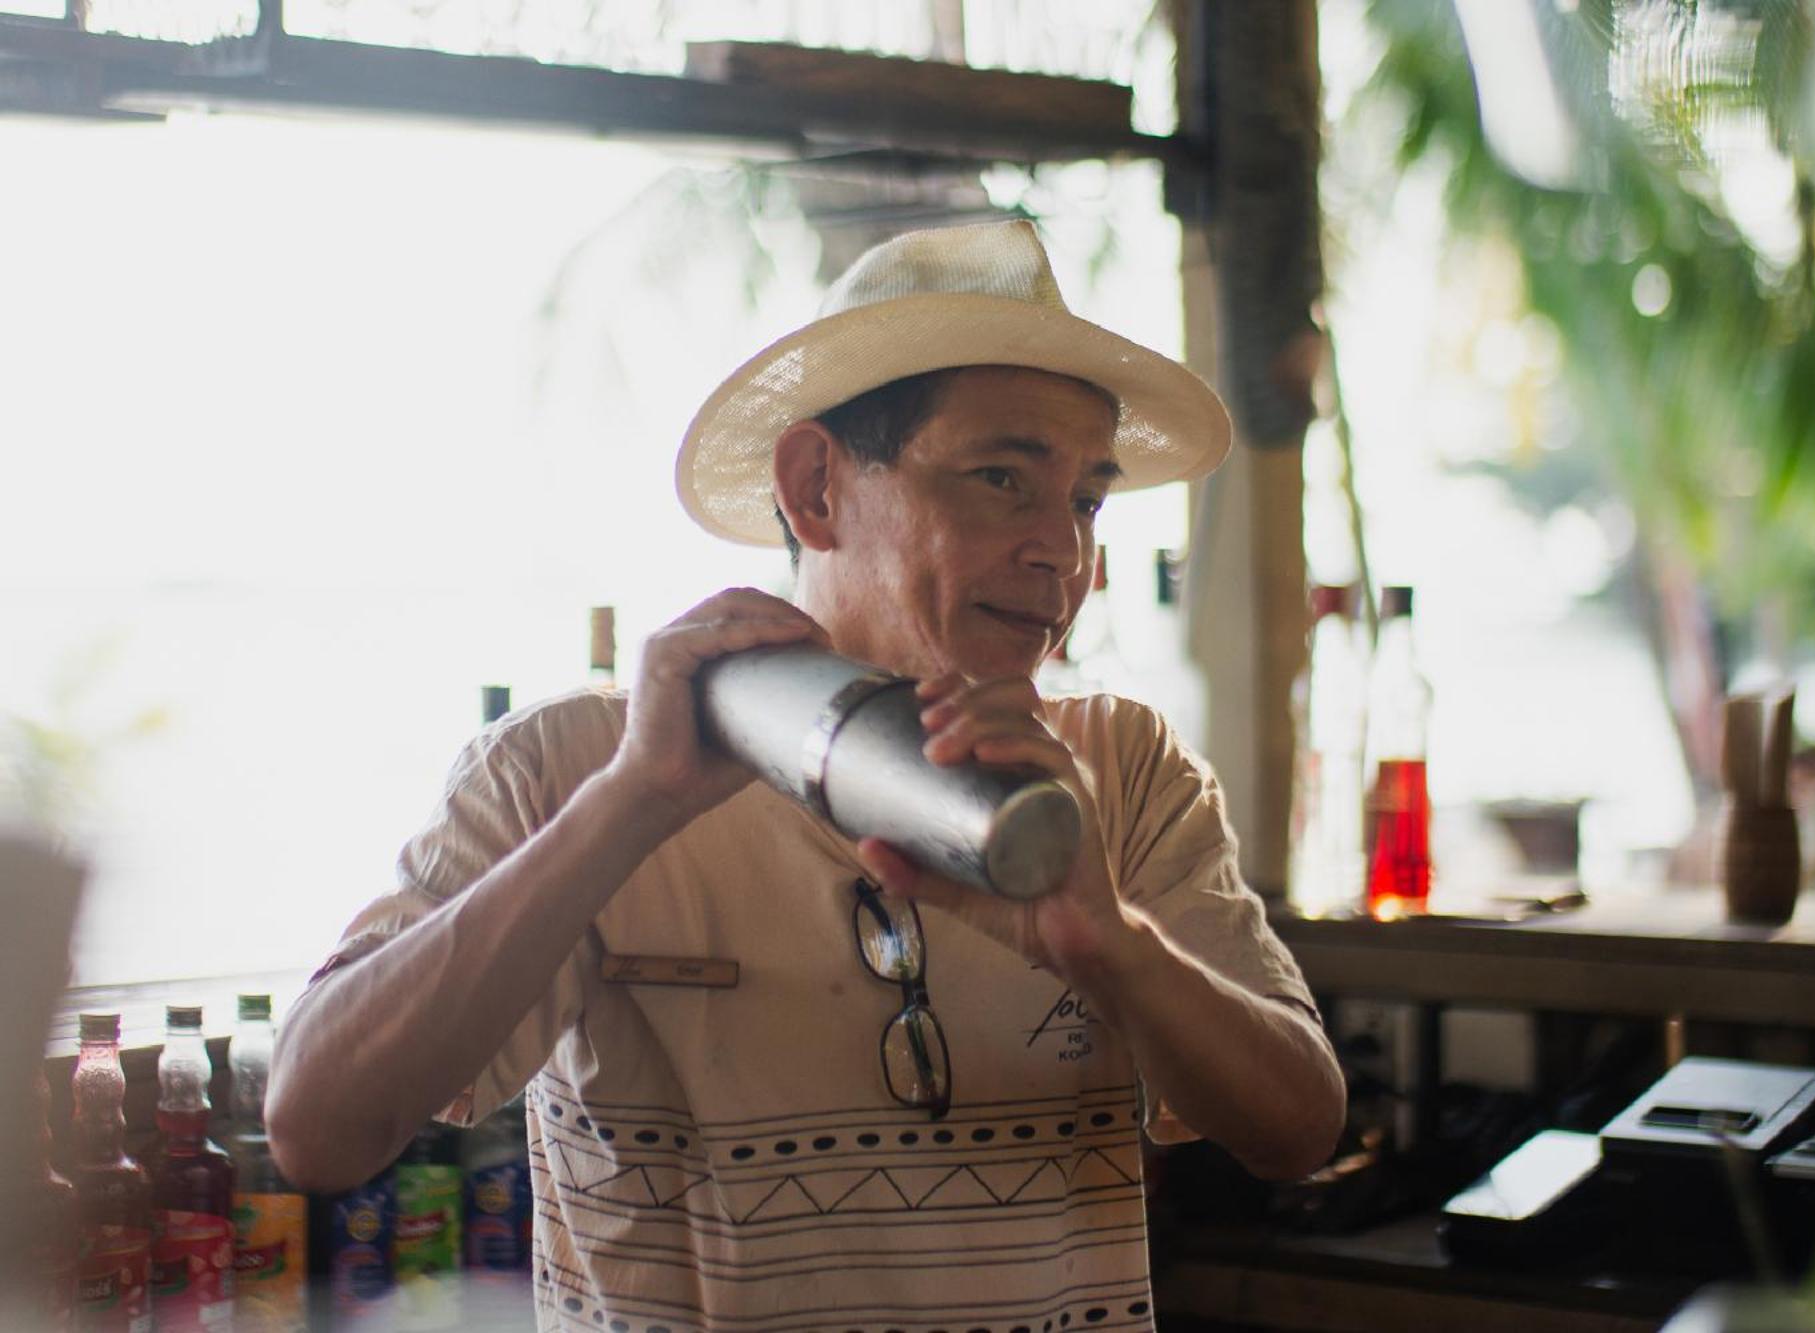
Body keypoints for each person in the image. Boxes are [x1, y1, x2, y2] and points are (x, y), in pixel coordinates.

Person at [268, 219, 1344, 1332]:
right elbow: (317, 1127)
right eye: (1000, 480)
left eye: (1082, 499)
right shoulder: (576, 765)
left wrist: (1109, 945)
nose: (1063, 555)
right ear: (816, 485)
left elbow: (1297, 1131)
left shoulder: (1115, 769)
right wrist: (629, 810)